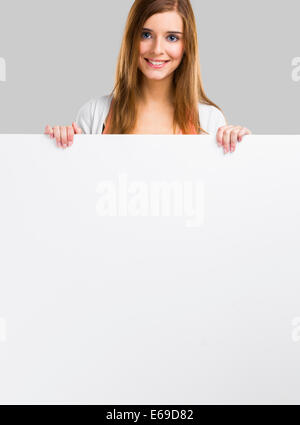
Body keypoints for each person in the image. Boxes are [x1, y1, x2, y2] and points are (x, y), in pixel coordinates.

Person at [44, 0, 251, 154]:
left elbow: (217, 198)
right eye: (146, 35)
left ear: (186, 45)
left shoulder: (208, 121)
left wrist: (243, 151)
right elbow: (78, 193)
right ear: (131, 39)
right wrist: (61, 148)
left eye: (172, 37)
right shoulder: (94, 115)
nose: (157, 49)